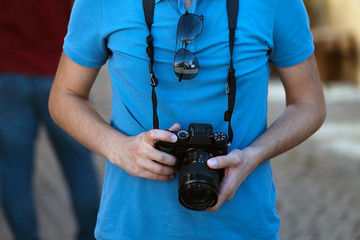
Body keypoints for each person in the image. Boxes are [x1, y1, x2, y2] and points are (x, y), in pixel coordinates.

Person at [48, 0, 326, 239]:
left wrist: (253, 155)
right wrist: (118, 148)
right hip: (131, 227)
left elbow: (309, 102)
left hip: (245, 228)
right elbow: (65, 95)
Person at [0, 0, 100, 239]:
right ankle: (90, 235)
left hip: (9, 73)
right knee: (79, 163)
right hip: (63, 73)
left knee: (13, 169)